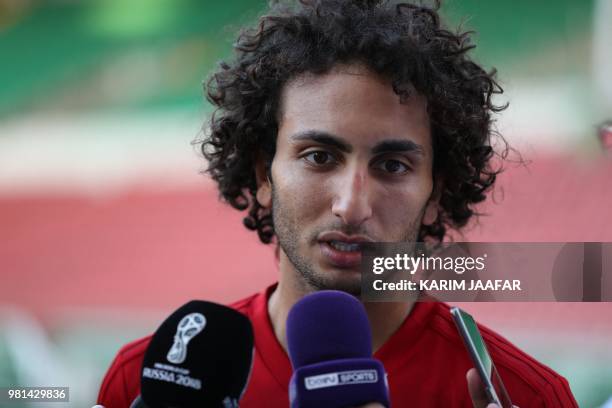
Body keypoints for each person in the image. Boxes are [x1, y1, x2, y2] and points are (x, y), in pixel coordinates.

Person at [98, 1, 577, 406]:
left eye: (392, 165)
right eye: (320, 157)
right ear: (264, 173)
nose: (351, 205)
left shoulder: (524, 396)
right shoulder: (148, 382)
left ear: (436, 193)